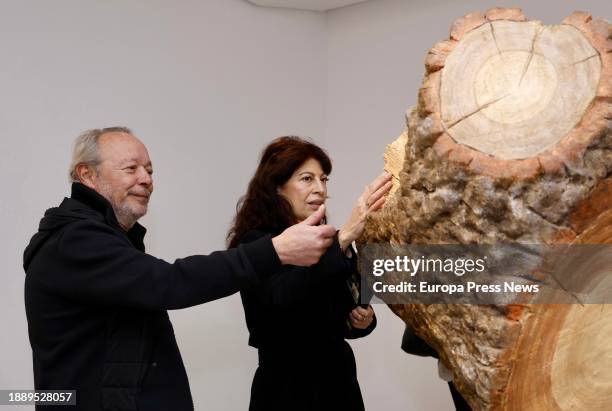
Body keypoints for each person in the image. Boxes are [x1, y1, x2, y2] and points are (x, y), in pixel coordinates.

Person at [23, 127, 337, 411]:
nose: (146, 179)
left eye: (149, 170)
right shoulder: (77, 240)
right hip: (290, 390)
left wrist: (360, 312)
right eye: (131, 169)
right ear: (87, 175)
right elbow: (171, 283)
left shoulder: (110, 240)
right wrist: (279, 250)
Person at [227, 136, 393, 411]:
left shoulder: (329, 243)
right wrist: (343, 238)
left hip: (338, 384)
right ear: (277, 187)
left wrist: (362, 319)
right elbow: (283, 299)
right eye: (307, 179)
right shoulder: (256, 243)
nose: (320, 189)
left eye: (324, 179)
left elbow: (349, 305)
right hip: (287, 388)